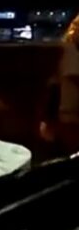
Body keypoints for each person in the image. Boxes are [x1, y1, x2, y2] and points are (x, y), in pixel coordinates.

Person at [41, 14, 79, 156]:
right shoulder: (68, 52)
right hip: (69, 120)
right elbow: (55, 86)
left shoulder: (66, 51)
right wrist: (49, 119)